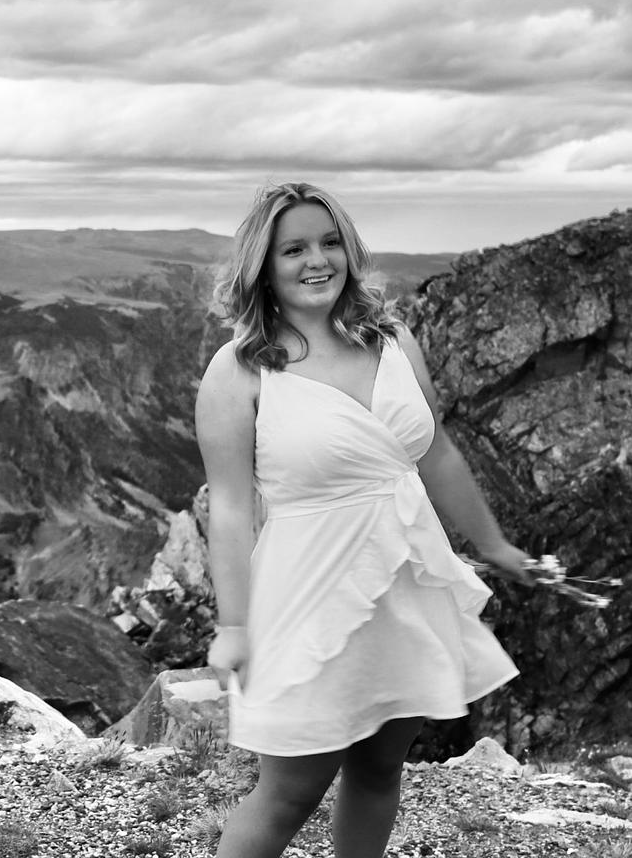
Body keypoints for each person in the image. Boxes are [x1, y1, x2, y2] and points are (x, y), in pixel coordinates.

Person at [195, 182, 531, 858]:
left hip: (405, 578)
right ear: (264, 266)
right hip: (310, 592)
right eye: (294, 249)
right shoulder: (238, 371)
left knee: (380, 769)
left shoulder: (392, 339)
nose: (317, 261)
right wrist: (234, 627)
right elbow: (229, 510)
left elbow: (436, 453)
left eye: (330, 243)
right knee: (289, 793)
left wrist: (493, 544)